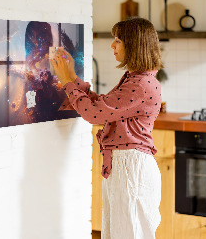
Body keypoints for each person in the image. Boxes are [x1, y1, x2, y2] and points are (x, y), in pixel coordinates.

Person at [51, 17, 163, 239]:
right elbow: (102, 106)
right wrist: (72, 76)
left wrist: (66, 82)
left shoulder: (140, 84)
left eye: (118, 40)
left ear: (134, 45)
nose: (112, 45)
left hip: (131, 168)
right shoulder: (136, 79)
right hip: (126, 166)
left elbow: (94, 114)